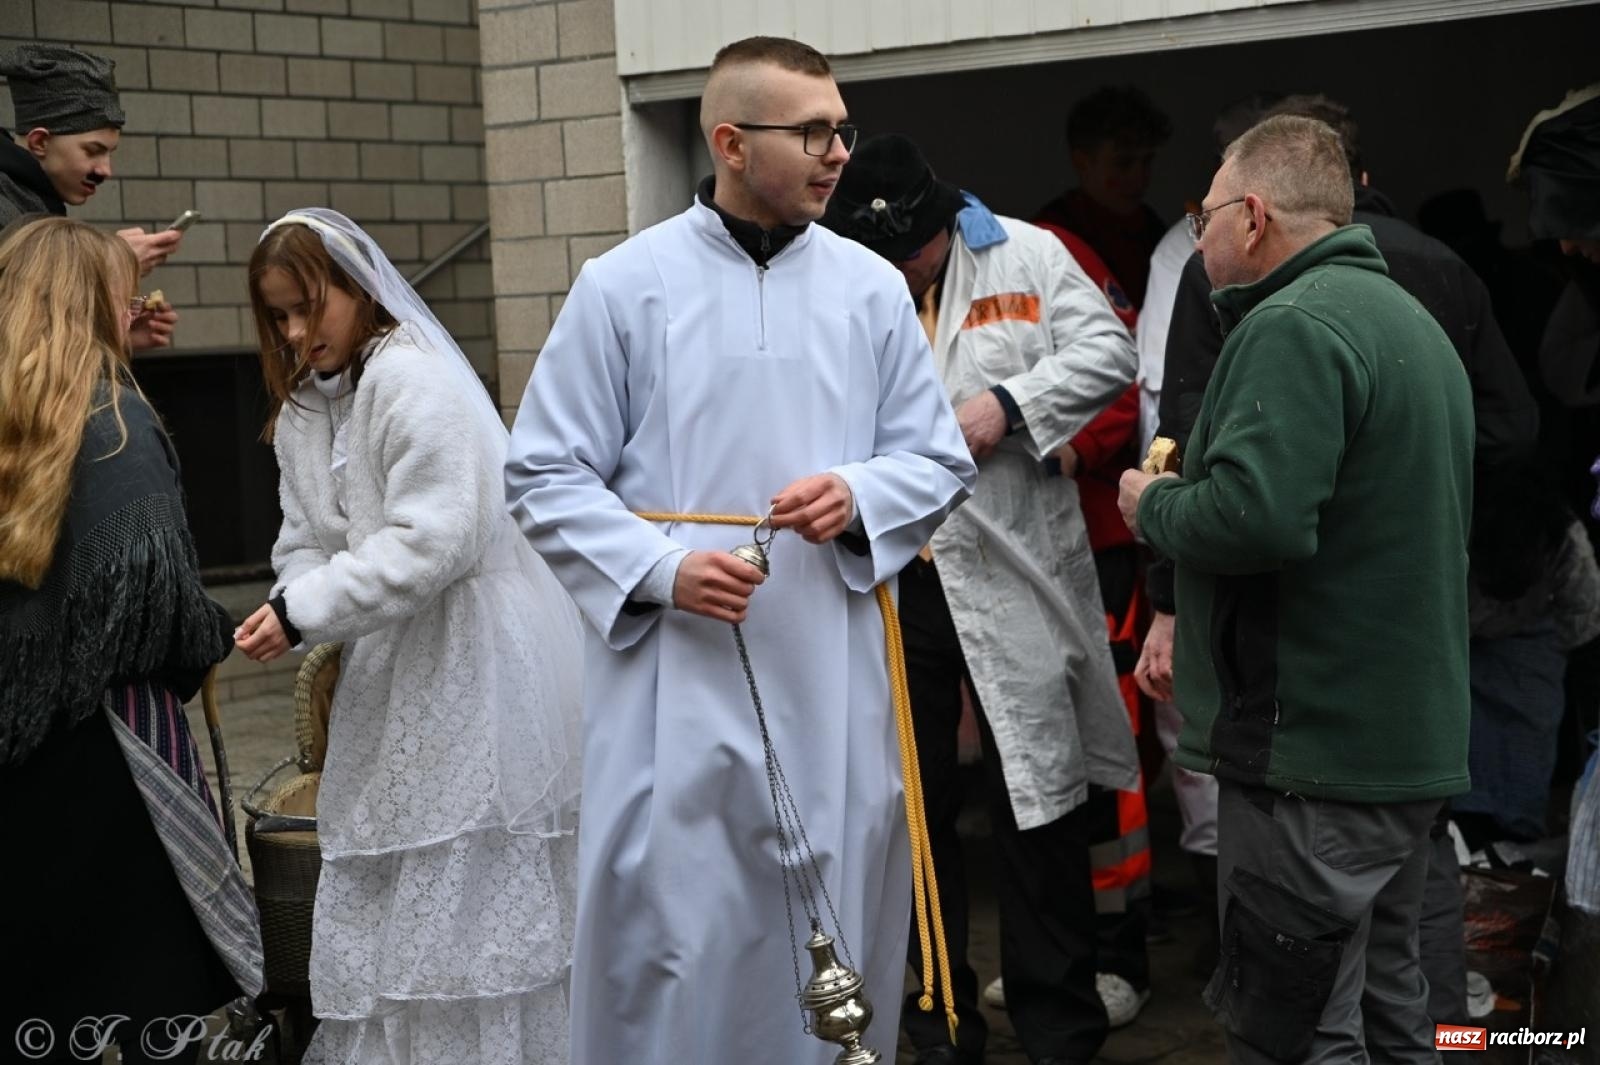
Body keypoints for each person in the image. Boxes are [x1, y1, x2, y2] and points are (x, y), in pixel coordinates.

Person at [503, 38, 976, 1065]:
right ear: (729, 142)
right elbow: (540, 472)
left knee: (831, 909)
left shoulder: (870, 288)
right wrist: (661, 569)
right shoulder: (623, 285)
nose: (838, 152)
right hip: (675, 677)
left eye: (841, 129)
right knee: (681, 928)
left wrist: (858, 493)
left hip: (832, 665)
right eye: (812, 132)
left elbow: (938, 459)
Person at [1119, 114, 1474, 1063]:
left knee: (1298, 1035)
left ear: (1253, 215)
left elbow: (1256, 520)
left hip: (1310, 757)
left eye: (1202, 215)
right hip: (1397, 750)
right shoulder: (1408, 320)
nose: (1197, 238)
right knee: (1394, 1011)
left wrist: (1154, 504)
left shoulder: (1290, 325)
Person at [232, 208, 584, 1064]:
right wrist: (294, 596)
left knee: (469, 854)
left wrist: (307, 608)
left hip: (468, 652)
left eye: (308, 306)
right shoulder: (307, 407)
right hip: (389, 655)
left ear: (358, 289)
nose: (295, 332)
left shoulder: (413, 378)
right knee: (395, 849)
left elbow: (435, 540)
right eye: (278, 315)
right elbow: (302, 539)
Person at [821, 133, 1139, 1064]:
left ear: (945, 219)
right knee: (916, 812)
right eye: (884, 256)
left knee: (1038, 798)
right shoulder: (839, 283)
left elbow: (1110, 353)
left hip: (1012, 567)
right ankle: (940, 1027)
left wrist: (1008, 403)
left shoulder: (1028, 253)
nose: (902, 270)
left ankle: (1060, 1028)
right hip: (896, 575)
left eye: (914, 252)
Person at [0, 216, 261, 1064]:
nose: (135, 311)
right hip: (113, 765)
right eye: (122, 297)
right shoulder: (117, 425)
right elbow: (161, 616)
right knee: (151, 1009)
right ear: (87, 305)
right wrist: (212, 631)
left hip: (18, 764)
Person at [0, 44, 183, 347]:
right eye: (92, 151)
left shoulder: (30, 201)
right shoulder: (9, 210)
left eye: (109, 153)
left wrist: (114, 332)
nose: (105, 170)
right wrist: (108, 264)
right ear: (40, 142)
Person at [1035, 85, 1172, 310]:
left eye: (1147, 161)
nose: (1139, 176)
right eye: (1123, 163)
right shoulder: (1050, 235)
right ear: (1082, 162)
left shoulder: (1151, 226)